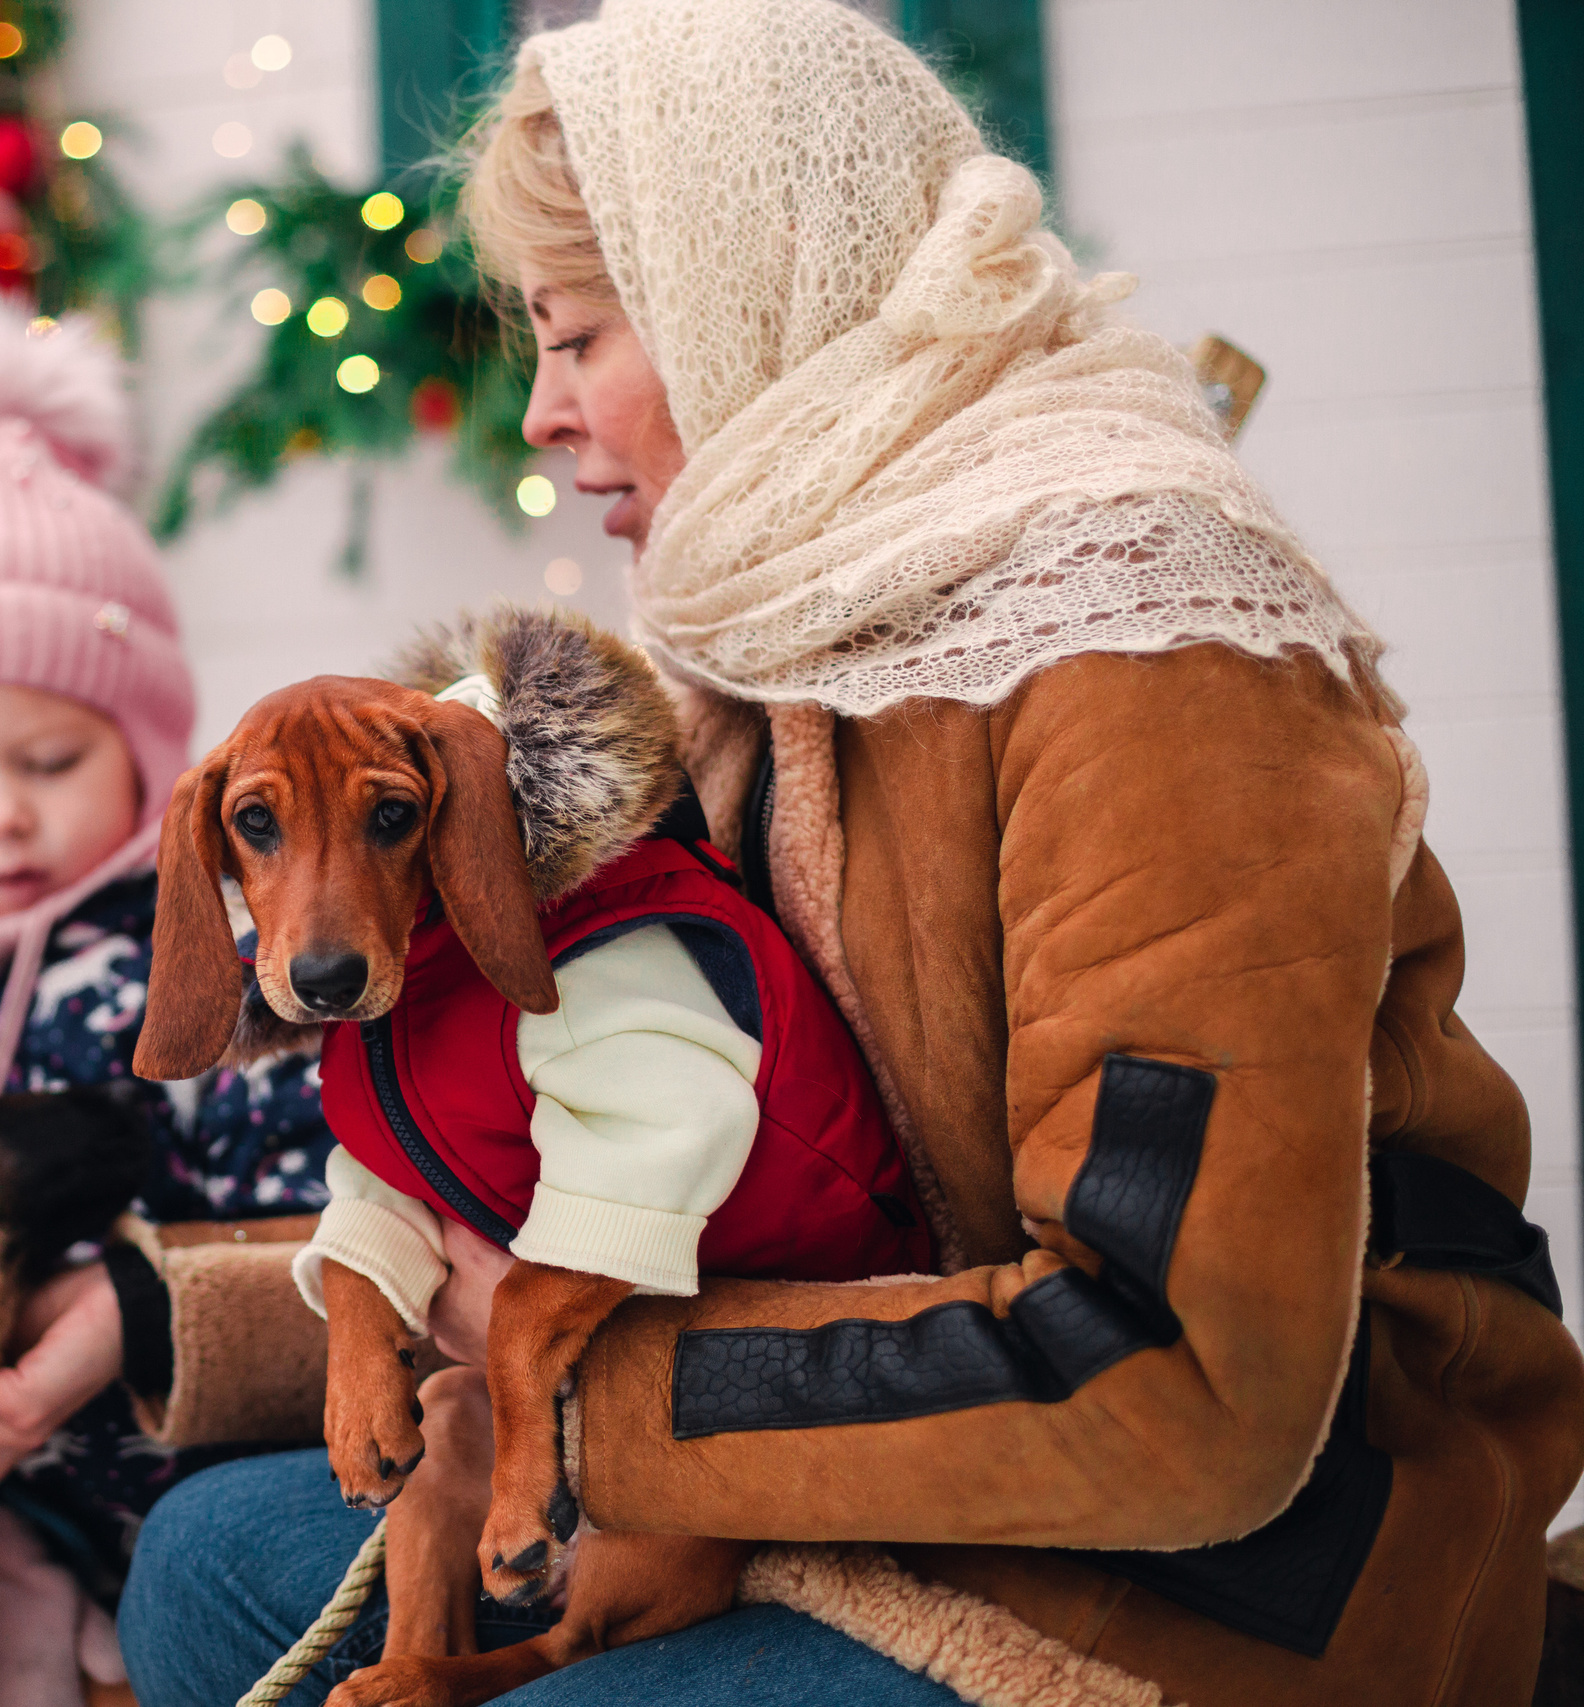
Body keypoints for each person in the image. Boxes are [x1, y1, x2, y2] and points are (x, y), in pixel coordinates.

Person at [111, 3, 1584, 1704]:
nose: (541, 413)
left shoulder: (1154, 659)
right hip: (836, 1471)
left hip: (1207, 1576)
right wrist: (164, 1323)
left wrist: (569, 1392)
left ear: (751, 300)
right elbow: (616, 1167)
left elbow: (1191, 1393)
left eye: (580, 337)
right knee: (205, 1564)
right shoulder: (771, 650)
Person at [0, 296, 335, 1707]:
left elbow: (312, 1197)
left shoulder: (213, 955)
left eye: (47, 761)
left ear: (144, 741)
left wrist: (133, 1300)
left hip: (191, 1452)